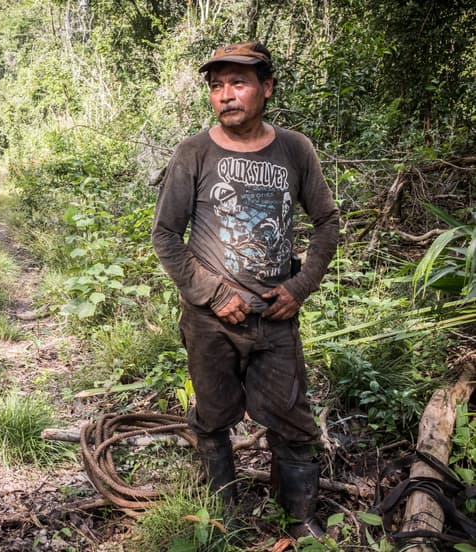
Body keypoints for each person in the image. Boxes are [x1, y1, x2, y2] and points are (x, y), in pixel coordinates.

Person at [151, 41, 339, 538]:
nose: (225, 96)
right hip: (211, 320)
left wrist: (300, 286)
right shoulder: (194, 152)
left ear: (267, 88)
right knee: (213, 418)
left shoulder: (294, 149)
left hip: (275, 318)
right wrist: (213, 294)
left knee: (291, 420)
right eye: (216, 86)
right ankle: (223, 516)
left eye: (238, 83)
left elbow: (327, 221)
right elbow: (166, 235)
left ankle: (297, 521)